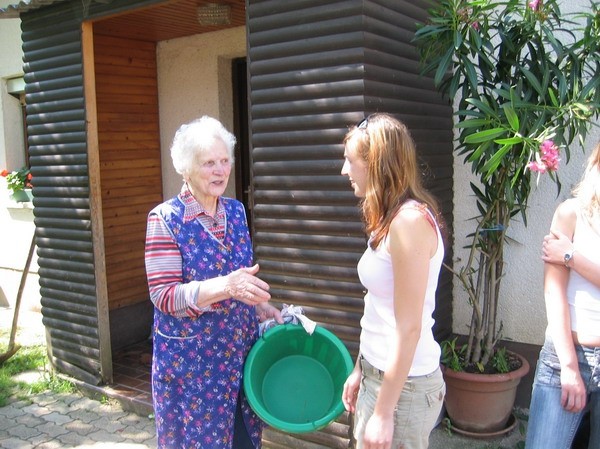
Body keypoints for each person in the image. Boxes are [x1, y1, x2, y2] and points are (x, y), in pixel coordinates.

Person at [144, 116, 282, 449]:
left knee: (244, 441)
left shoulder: (236, 212)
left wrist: (258, 303)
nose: (220, 170)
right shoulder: (165, 219)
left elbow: (239, 274)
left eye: (224, 161)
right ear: (185, 169)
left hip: (239, 359)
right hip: (192, 370)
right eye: (209, 163)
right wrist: (227, 287)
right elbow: (164, 295)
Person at [340, 113, 446, 449]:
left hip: (405, 390)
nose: (344, 171)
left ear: (377, 164)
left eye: (350, 161)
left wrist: (384, 412)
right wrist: (361, 368)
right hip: (380, 377)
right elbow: (377, 307)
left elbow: (409, 328)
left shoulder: (409, 223)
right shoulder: (388, 219)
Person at [525, 142, 600, 449]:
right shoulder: (570, 214)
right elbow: (553, 294)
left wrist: (571, 256)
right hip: (566, 358)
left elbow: (565, 258)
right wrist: (569, 366)